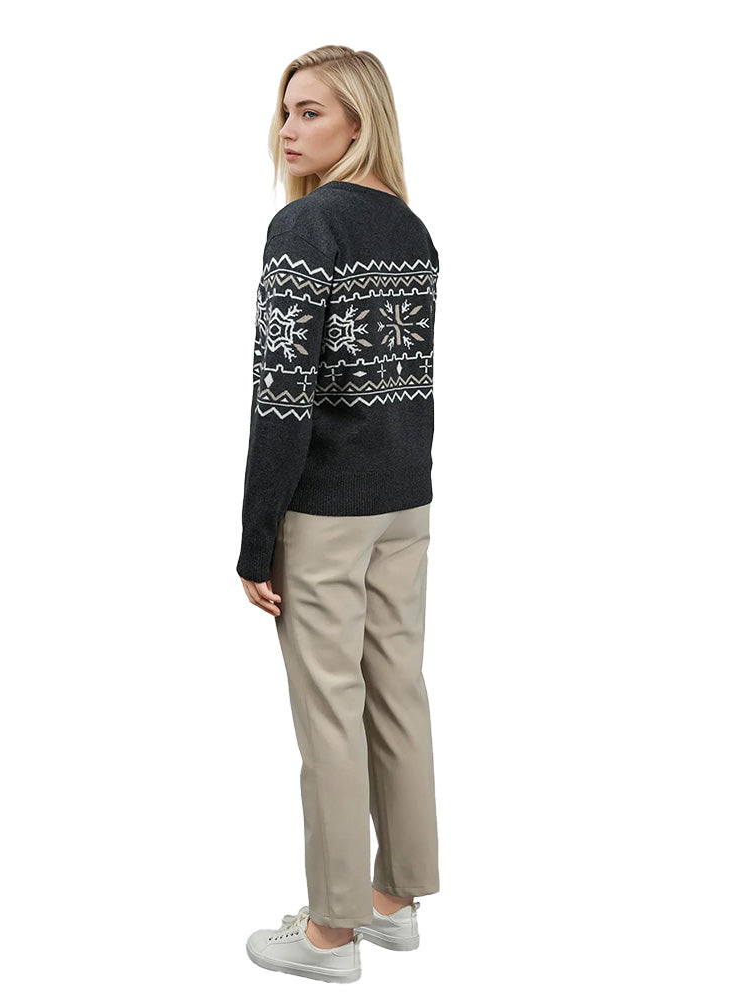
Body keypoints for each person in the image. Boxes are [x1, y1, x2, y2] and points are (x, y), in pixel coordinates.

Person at [237, 45, 440, 984]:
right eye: (286, 110)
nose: (289, 129)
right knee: (397, 694)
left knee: (330, 717)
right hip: (404, 502)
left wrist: (256, 540)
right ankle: (394, 901)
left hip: (324, 511)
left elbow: (282, 396)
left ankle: (329, 934)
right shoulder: (412, 230)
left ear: (360, 122)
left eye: (311, 112)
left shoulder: (306, 225)